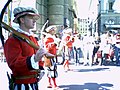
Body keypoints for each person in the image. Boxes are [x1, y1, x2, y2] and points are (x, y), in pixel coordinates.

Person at [4, 7, 54, 90]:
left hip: (34, 83)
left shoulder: (32, 38)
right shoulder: (12, 40)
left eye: (34, 18)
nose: (34, 21)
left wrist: (40, 69)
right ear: (22, 20)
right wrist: (34, 59)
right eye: (31, 18)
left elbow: (38, 56)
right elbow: (14, 64)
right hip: (22, 85)